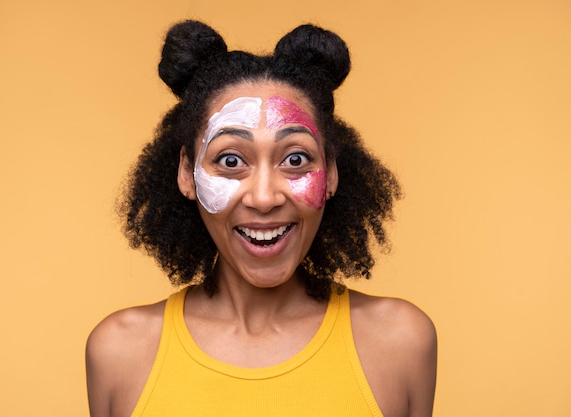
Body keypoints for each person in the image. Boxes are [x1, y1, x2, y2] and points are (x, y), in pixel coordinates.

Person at [86, 20, 437, 417]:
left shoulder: (401, 343)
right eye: (231, 160)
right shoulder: (119, 353)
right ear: (187, 173)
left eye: (295, 159)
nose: (265, 198)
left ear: (332, 173)